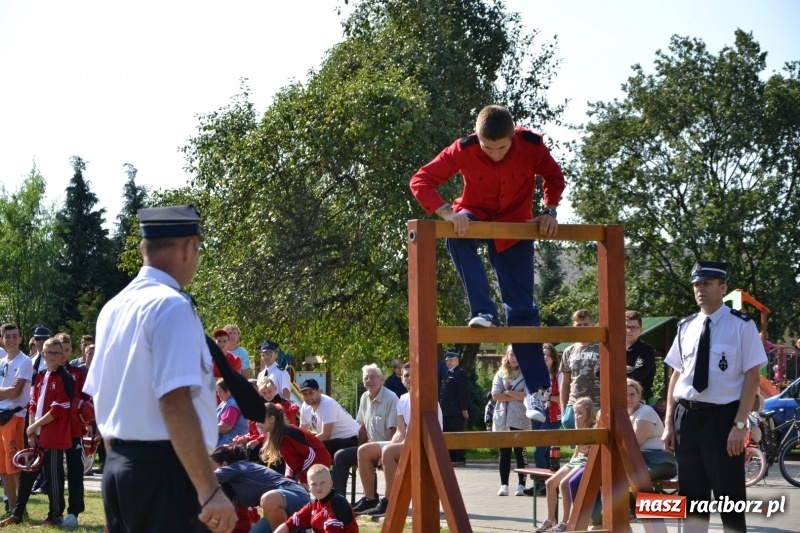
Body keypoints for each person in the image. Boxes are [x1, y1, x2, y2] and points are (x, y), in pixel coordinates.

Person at [83, 204, 237, 533]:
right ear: (187, 247)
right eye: (198, 249)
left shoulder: (113, 308)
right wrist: (209, 490)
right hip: (165, 471)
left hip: (120, 465)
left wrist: (117, 476)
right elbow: (175, 401)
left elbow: (103, 398)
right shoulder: (171, 305)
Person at [409, 104, 565, 395]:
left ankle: (538, 390)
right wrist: (446, 212)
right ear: (477, 137)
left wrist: (549, 211)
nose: (495, 154)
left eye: (502, 148)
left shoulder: (531, 145)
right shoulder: (462, 149)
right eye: (487, 148)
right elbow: (421, 180)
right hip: (475, 215)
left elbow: (554, 177)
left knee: (521, 308)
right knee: (455, 234)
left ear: (513, 137)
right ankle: (483, 310)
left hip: (515, 224)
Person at [661, 261, 767, 533]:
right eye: (697, 284)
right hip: (686, 417)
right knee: (692, 501)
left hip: (723, 419)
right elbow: (677, 375)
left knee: (729, 499)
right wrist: (669, 423)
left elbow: (752, 377)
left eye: (707, 283)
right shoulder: (686, 326)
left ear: (723, 288)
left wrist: (740, 425)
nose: (700, 289)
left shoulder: (741, 325)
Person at [17, 338, 73, 527]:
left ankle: (55, 515)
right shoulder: (41, 375)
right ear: (43, 354)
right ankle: (17, 514)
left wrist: (33, 427)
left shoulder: (64, 377)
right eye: (51, 352)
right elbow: (33, 403)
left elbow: (59, 409)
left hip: (54, 436)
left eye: (58, 353)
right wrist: (31, 431)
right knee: (27, 474)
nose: (55, 356)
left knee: (53, 477)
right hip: (37, 435)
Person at [337, 364, 397, 514]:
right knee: (341, 455)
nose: (369, 380)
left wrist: (386, 454)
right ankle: (338, 502)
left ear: (381, 379)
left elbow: (393, 431)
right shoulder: (364, 397)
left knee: (365, 452)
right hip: (371, 447)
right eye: (366, 378)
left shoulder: (391, 398)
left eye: (372, 377)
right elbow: (362, 428)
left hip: (390, 445)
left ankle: (375, 499)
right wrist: (359, 452)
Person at [210, 444, 310, 533]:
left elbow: (207, 478)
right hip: (277, 510)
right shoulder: (234, 481)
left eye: (212, 467)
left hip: (296, 495)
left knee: (269, 498)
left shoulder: (237, 467)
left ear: (224, 465)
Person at [535, 396, 596, 533]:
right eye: (575, 412)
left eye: (580, 413)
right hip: (577, 459)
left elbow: (584, 448)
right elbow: (577, 451)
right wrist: (569, 463)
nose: (577, 416)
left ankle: (565, 522)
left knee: (564, 484)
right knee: (550, 483)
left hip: (586, 461)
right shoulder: (578, 426)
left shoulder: (593, 427)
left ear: (588, 413)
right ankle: (551, 519)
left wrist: (579, 428)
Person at [0, 324, 34, 515]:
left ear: (21, 339)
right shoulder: (2, 362)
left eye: (14, 336)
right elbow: (8, 391)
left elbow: (15, 392)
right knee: (3, 467)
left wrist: (7, 393)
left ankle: (21, 509)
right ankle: (13, 507)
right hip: (1, 416)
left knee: (14, 464)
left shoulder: (25, 361)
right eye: (7, 337)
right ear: (2, 340)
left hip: (15, 416)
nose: (11, 340)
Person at [260, 402, 332, 486]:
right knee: (288, 485)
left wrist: (303, 478)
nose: (256, 423)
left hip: (318, 461)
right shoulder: (276, 435)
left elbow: (311, 454)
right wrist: (289, 478)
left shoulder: (288, 434)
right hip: (304, 466)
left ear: (271, 419)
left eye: (259, 420)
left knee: (301, 488)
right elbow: (290, 460)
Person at [274, 464, 358, 533]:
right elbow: (290, 523)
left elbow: (332, 530)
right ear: (308, 487)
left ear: (331, 483)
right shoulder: (313, 504)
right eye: (314, 484)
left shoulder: (338, 503)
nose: (318, 487)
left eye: (322, 483)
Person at [491, 345, 529, 497]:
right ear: (507, 356)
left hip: (519, 418)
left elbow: (526, 395)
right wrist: (514, 395)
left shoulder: (526, 374)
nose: (514, 358)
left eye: (517, 354)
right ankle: (504, 485)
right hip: (502, 418)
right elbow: (495, 395)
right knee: (504, 453)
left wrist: (507, 392)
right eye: (511, 354)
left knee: (520, 452)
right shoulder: (500, 374)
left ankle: (521, 485)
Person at [559, 309, 601, 429]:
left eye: (585, 324)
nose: (582, 328)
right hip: (573, 404)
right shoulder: (569, 351)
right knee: (575, 439)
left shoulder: (602, 347)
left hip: (597, 404)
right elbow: (565, 383)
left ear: (593, 324)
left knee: (596, 439)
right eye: (578, 325)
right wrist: (563, 409)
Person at [298, 379, 359, 458]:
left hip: (350, 439)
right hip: (333, 440)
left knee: (315, 449)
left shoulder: (328, 404)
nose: (308, 397)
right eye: (305, 394)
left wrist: (305, 444)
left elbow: (326, 435)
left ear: (319, 391)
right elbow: (302, 432)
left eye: (311, 392)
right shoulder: (305, 406)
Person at [529, 343, 562, 478]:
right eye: (543, 354)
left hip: (552, 416)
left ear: (554, 358)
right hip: (537, 414)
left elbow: (563, 398)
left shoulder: (559, 375)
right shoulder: (535, 375)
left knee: (538, 452)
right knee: (546, 452)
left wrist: (548, 397)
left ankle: (541, 482)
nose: (546, 357)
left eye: (549, 355)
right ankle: (550, 482)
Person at [439, 351, 470, 466]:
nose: (448, 362)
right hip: (446, 410)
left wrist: (464, 409)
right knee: (448, 434)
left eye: (451, 360)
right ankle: (451, 457)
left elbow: (463, 392)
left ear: (457, 360)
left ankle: (459, 458)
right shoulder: (449, 372)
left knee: (457, 434)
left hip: (455, 410)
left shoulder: (460, 373)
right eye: (447, 360)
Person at [625, 310, 656, 403]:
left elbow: (637, 375)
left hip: (641, 401)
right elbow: (598, 371)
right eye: (626, 327)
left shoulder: (647, 350)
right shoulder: (614, 348)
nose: (629, 330)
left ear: (640, 330)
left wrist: (614, 369)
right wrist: (627, 368)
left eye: (633, 327)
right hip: (616, 398)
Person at [217, 379, 249, 446]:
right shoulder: (227, 402)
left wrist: (206, 428)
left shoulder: (232, 405)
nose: (218, 394)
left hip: (231, 445)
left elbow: (225, 427)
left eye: (220, 391)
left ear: (229, 390)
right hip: (228, 443)